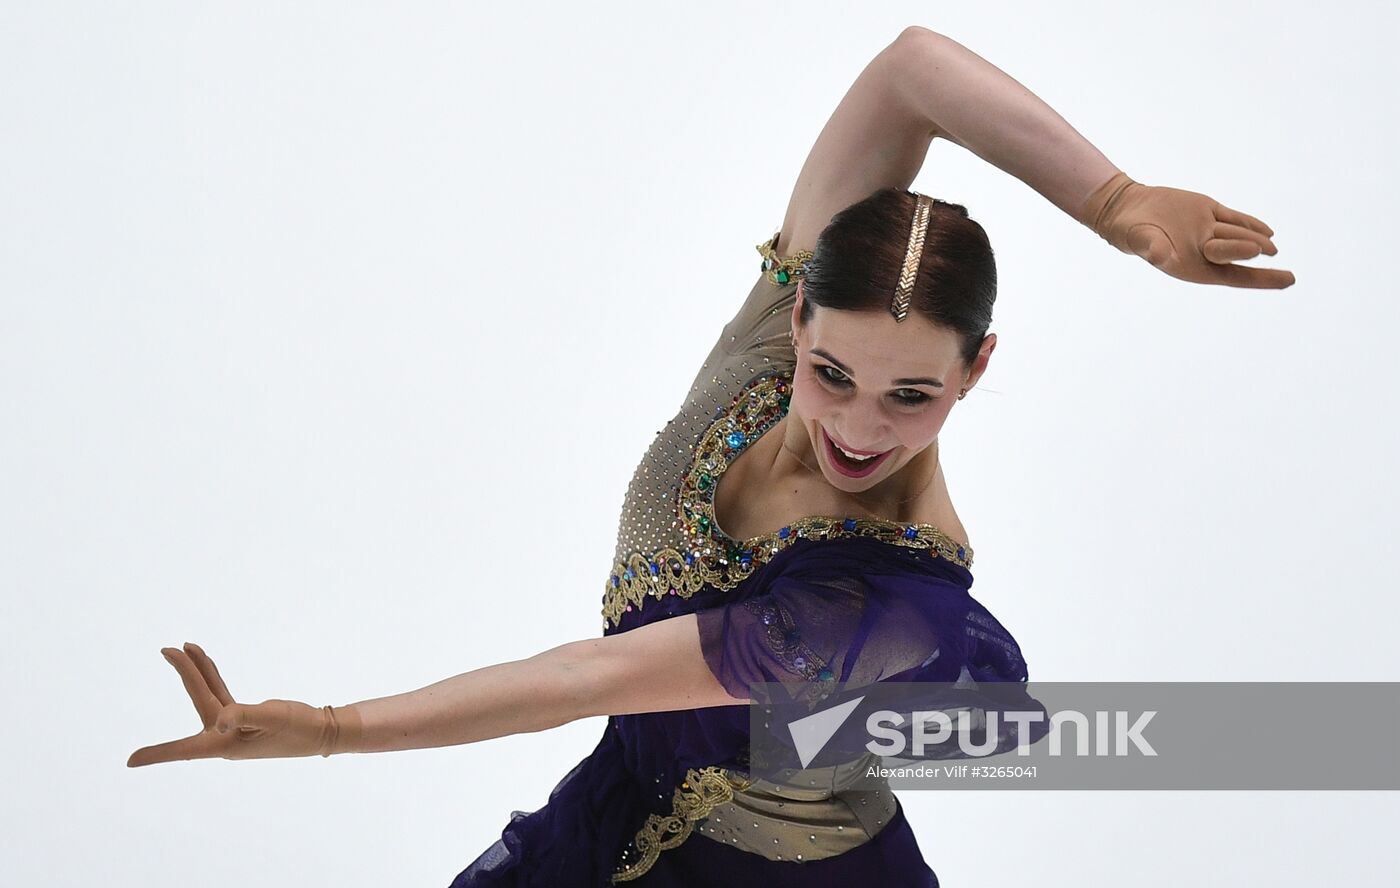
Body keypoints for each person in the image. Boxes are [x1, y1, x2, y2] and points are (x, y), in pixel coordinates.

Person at [125, 26, 1294, 887]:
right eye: (831, 374)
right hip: (610, 827)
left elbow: (591, 677)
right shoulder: (762, 347)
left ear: (975, 372)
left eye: (912, 396)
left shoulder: (888, 591)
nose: (855, 427)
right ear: (794, 318)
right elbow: (910, 70)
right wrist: (1111, 196)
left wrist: (333, 729)